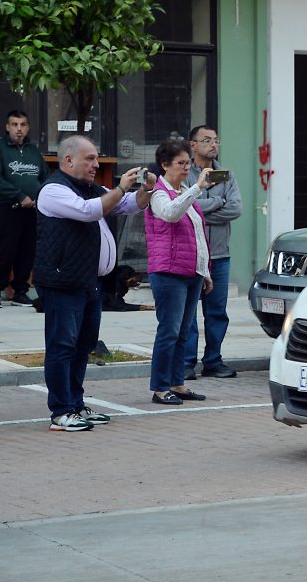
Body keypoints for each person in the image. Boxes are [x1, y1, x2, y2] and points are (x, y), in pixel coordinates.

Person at [35, 136, 153, 431]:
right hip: (64, 282)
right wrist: (121, 187)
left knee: (82, 345)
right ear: (68, 161)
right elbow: (90, 211)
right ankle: (61, 412)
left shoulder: (92, 189)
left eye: (96, 158)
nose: (96, 164)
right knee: (62, 346)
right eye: (89, 159)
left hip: (89, 281)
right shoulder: (53, 190)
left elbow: (130, 205)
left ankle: (75, 404)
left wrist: (146, 188)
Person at [146, 139, 216, 405]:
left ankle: (177, 383)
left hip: (191, 272)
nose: (187, 168)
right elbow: (171, 214)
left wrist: (205, 272)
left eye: (188, 163)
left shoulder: (185, 190)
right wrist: (197, 189)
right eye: (181, 163)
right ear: (165, 165)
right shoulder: (159, 192)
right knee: (169, 331)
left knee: (183, 331)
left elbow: (198, 235)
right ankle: (160, 387)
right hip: (168, 272)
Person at [183, 125, 242, 380]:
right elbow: (184, 206)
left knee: (217, 312)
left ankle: (213, 361)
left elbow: (236, 209)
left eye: (216, 140)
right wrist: (218, 202)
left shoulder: (225, 175)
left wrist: (200, 208)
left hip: (219, 255)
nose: (213, 144)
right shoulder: (184, 174)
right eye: (206, 140)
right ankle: (186, 363)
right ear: (193, 145)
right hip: (192, 255)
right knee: (188, 314)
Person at [0, 110, 48, 307]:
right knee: (4, 250)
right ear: (7, 127)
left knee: (27, 252)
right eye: (15, 124)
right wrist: (20, 196)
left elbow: (44, 177)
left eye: (23, 125)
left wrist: (42, 197)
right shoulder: (1, 148)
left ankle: (20, 291)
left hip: (32, 210)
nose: (19, 129)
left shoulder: (33, 151)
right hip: (7, 207)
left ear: (27, 127)